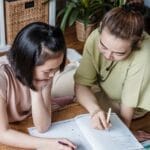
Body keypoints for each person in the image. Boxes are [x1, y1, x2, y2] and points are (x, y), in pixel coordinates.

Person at [74, 1, 150, 141]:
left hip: (126, 104)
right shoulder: (96, 35)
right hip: (102, 89)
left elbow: (128, 104)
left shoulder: (145, 53)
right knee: (56, 84)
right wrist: (95, 110)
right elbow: (81, 83)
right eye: (103, 46)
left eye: (119, 53)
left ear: (136, 44)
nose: (108, 56)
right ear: (101, 28)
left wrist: (124, 133)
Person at [0, 22, 76, 150]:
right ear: (27, 64)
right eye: (48, 71)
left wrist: (35, 89)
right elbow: (2, 133)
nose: (52, 75)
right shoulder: (3, 78)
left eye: (56, 69)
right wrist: (50, 144)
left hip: (23, 119)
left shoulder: (45, 75)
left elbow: (42, 127)